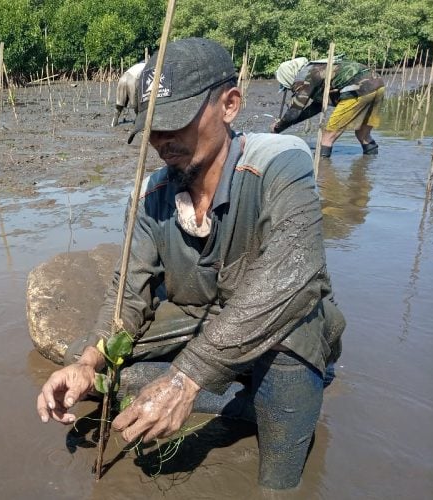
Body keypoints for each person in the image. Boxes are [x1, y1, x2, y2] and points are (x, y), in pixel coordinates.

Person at [36, 37, 345, 490]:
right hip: (201, 327)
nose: (162, 141)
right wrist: (88, 362)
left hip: (279, 335)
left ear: (230, 105)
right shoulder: (150, 196)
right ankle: (240, 406)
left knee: (295, 321)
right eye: (153, 129)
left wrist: (186, 379)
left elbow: (293, 278)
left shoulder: (282, 162)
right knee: (87, 364)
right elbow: (129, 293)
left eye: (175, 123)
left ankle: (277, 456)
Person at [272, 56, 385, 157]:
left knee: (327, 138)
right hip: (378, 85)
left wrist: (277, 127)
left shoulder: (306, 76)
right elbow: (316, 107)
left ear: (288, 76)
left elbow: (294, 112)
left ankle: (323, 172)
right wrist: (289, 122)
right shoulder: (318, 67)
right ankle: (368, 165)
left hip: (358, 89)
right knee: (363, 134)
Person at [111, 62, 146, 127]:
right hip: (132, 79)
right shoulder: (148, 66)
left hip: (123, 78)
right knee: (135, 103)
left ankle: (114, 122)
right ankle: (137, 121)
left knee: (120, 103)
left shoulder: (139, 65)